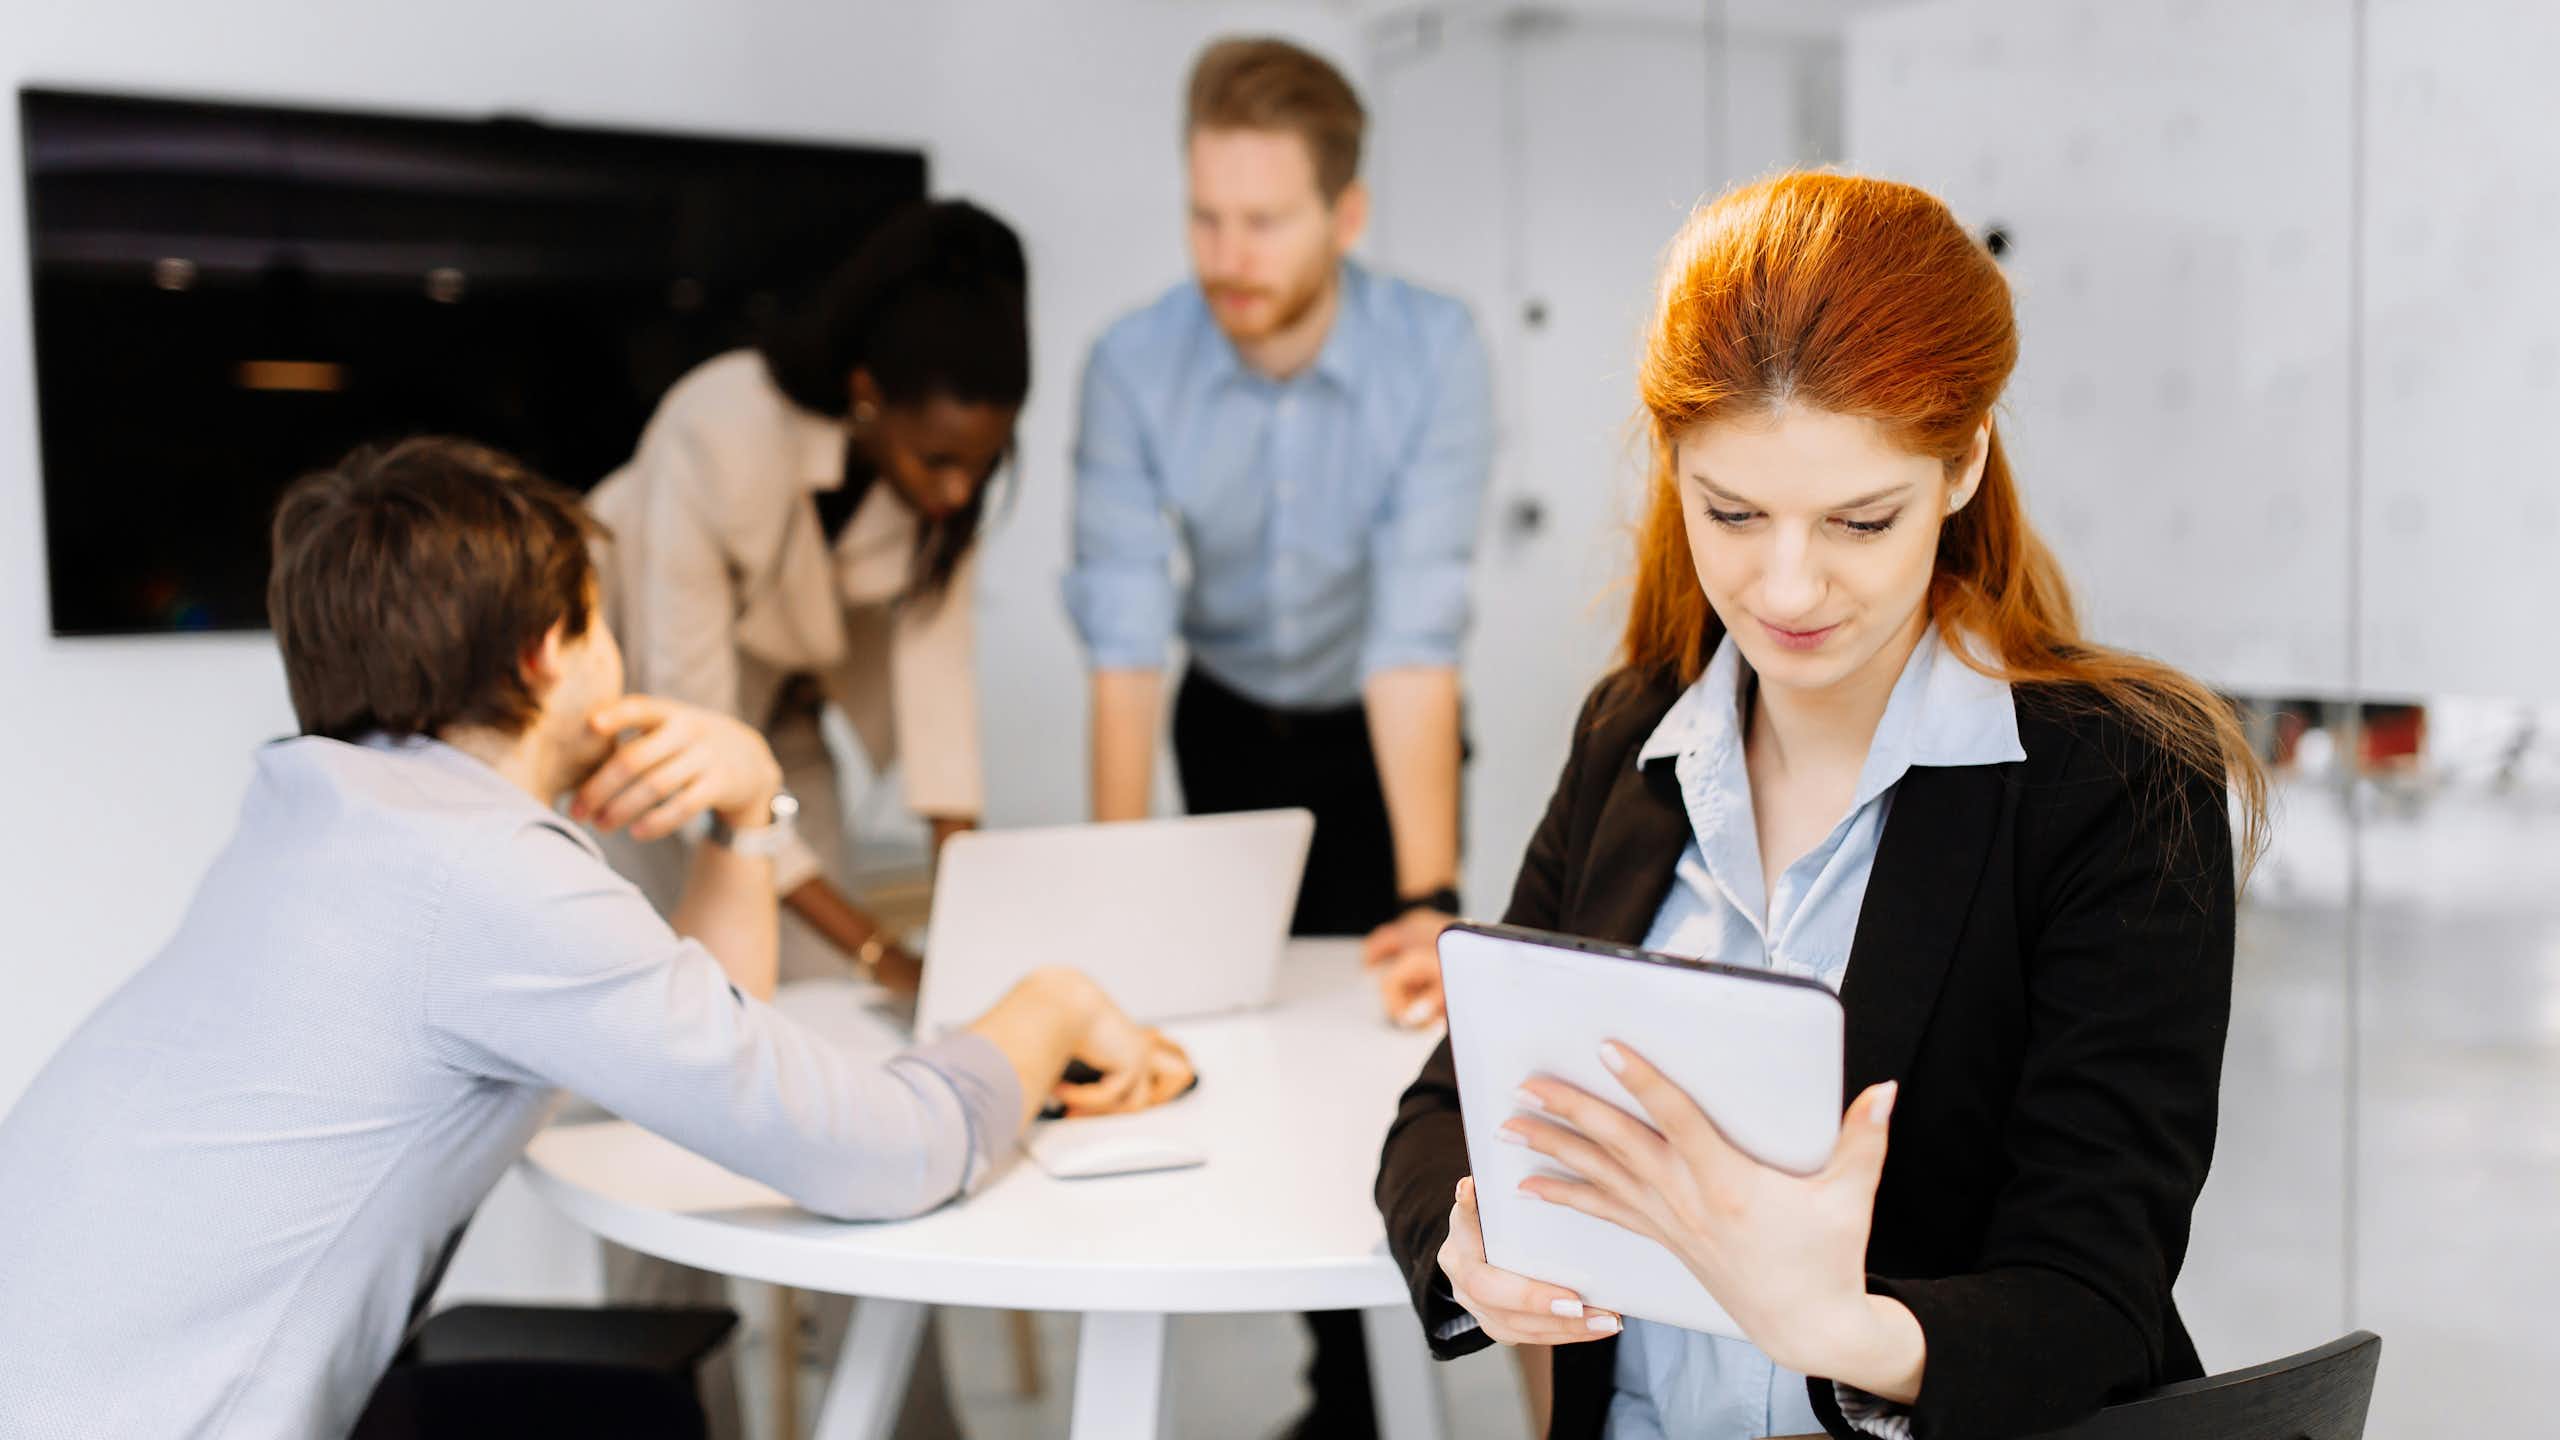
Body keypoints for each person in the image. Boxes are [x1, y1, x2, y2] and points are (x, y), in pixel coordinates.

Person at [0, 438, 1191, 1440]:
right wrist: (1050, 1005)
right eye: (600, 623)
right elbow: (875, 1156)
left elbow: (703, 1038)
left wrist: (745, 807)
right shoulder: (482, 877)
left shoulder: (327, 817)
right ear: (545, 653)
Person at [1373, 171, 2269, 1440]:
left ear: (1961, 465)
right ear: (1672, 465)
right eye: (1730, 513)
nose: (1787, 587)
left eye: (1860, 520)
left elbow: (2095, 1295)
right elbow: (1443, 1105)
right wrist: (1470, 1252)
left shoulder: (2118, 785)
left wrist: (1838, 1332)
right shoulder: (1634, 734)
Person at [1064, 36, 1494, 1437]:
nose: (1227, 255)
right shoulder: (1135, 366)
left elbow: (1413, 643)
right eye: (1206, 215)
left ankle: (1389, 1358)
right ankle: (1336, 1390)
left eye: (1264, 221)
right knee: (1240, 1026)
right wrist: (1120, 913)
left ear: (1344, 216)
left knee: (1393, 1030)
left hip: (1392, 734)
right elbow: (1127, 649)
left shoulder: (1436, 351)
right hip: (1230, 718)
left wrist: (1429, 899)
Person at [590, 197, 1029, 995]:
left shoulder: (945, 492)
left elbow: (942, 720)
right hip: (635, 723)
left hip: (782, 717)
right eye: (938, 461)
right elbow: (692, 732)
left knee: (826, 992)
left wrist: (970, 944)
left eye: (982, 464)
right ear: (867, 392)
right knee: (670, 987)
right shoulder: (718, 432)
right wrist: (885, 955)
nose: (960, 490)